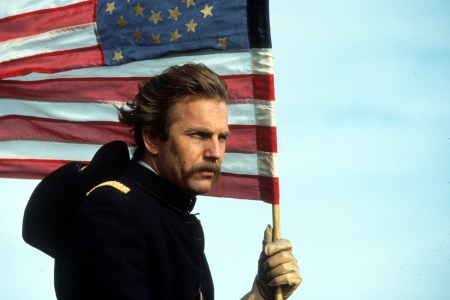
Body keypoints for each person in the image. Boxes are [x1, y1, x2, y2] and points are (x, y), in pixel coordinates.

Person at [32, 63, 301, 299]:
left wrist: (261, 295)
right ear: (151, 139)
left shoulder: (166, 213)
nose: (216, 153)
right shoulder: (115, 212)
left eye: (221, 137)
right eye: (199, 135)